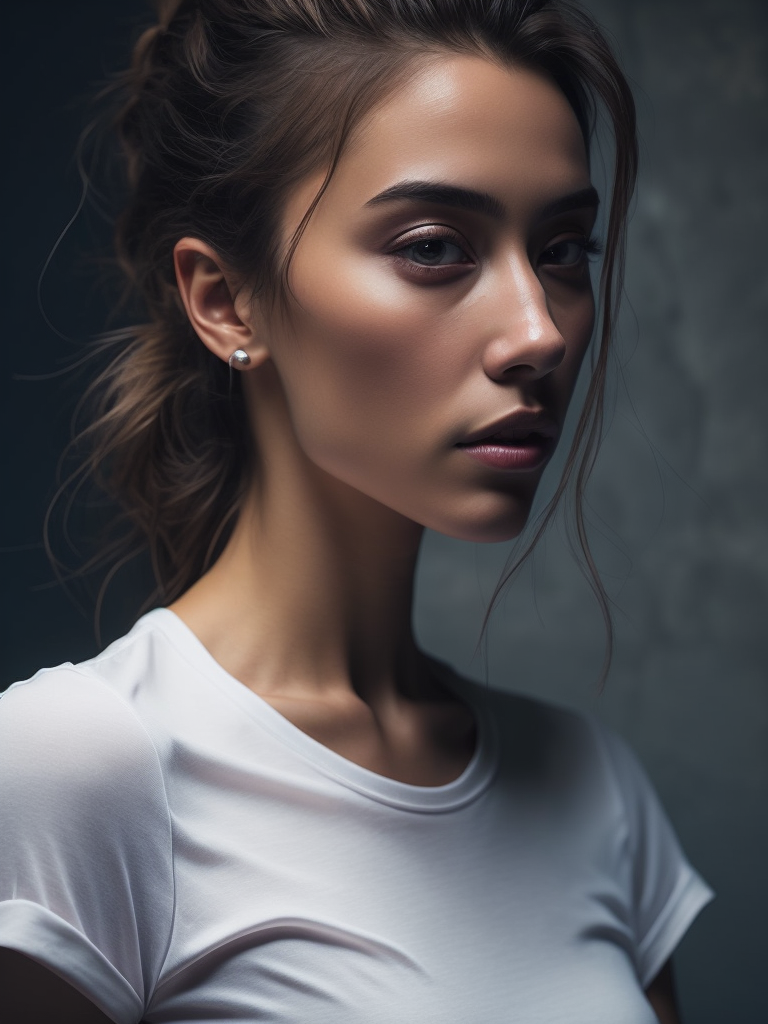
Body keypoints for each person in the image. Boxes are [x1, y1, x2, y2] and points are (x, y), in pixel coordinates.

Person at [0, 1, 713, 1022]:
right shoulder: (76, 768)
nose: (538, 332)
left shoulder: (595, 792)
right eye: (433, 247)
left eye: (563, 251)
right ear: (226, 299)